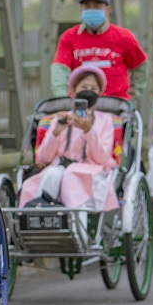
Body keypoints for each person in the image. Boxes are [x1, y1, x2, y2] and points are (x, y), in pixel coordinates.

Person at [19, 64, 119, 212]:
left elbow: (103, 159)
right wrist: (56, 132)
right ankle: (42, 214)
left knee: (70, 175)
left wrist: (88, 130)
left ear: (100, 93)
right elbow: (43, 158)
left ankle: (76, 225)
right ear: (73, 91)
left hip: (92, 174)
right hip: (59, 169)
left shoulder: (105, 121)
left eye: (93, 89)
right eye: (83, 87)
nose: (88, 92)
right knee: (54, 173)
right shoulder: (61, 118)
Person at [51, 0, 148, 103]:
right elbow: (59, 70)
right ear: (81, 9)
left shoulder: (124, 36)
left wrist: (132, 98)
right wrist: (63, 100)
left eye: (97, 6)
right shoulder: (69, 37)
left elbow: (141, 66)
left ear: (108, 9)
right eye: (87, 6)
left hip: (116, 105)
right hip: (81, 103)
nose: (92, 10)